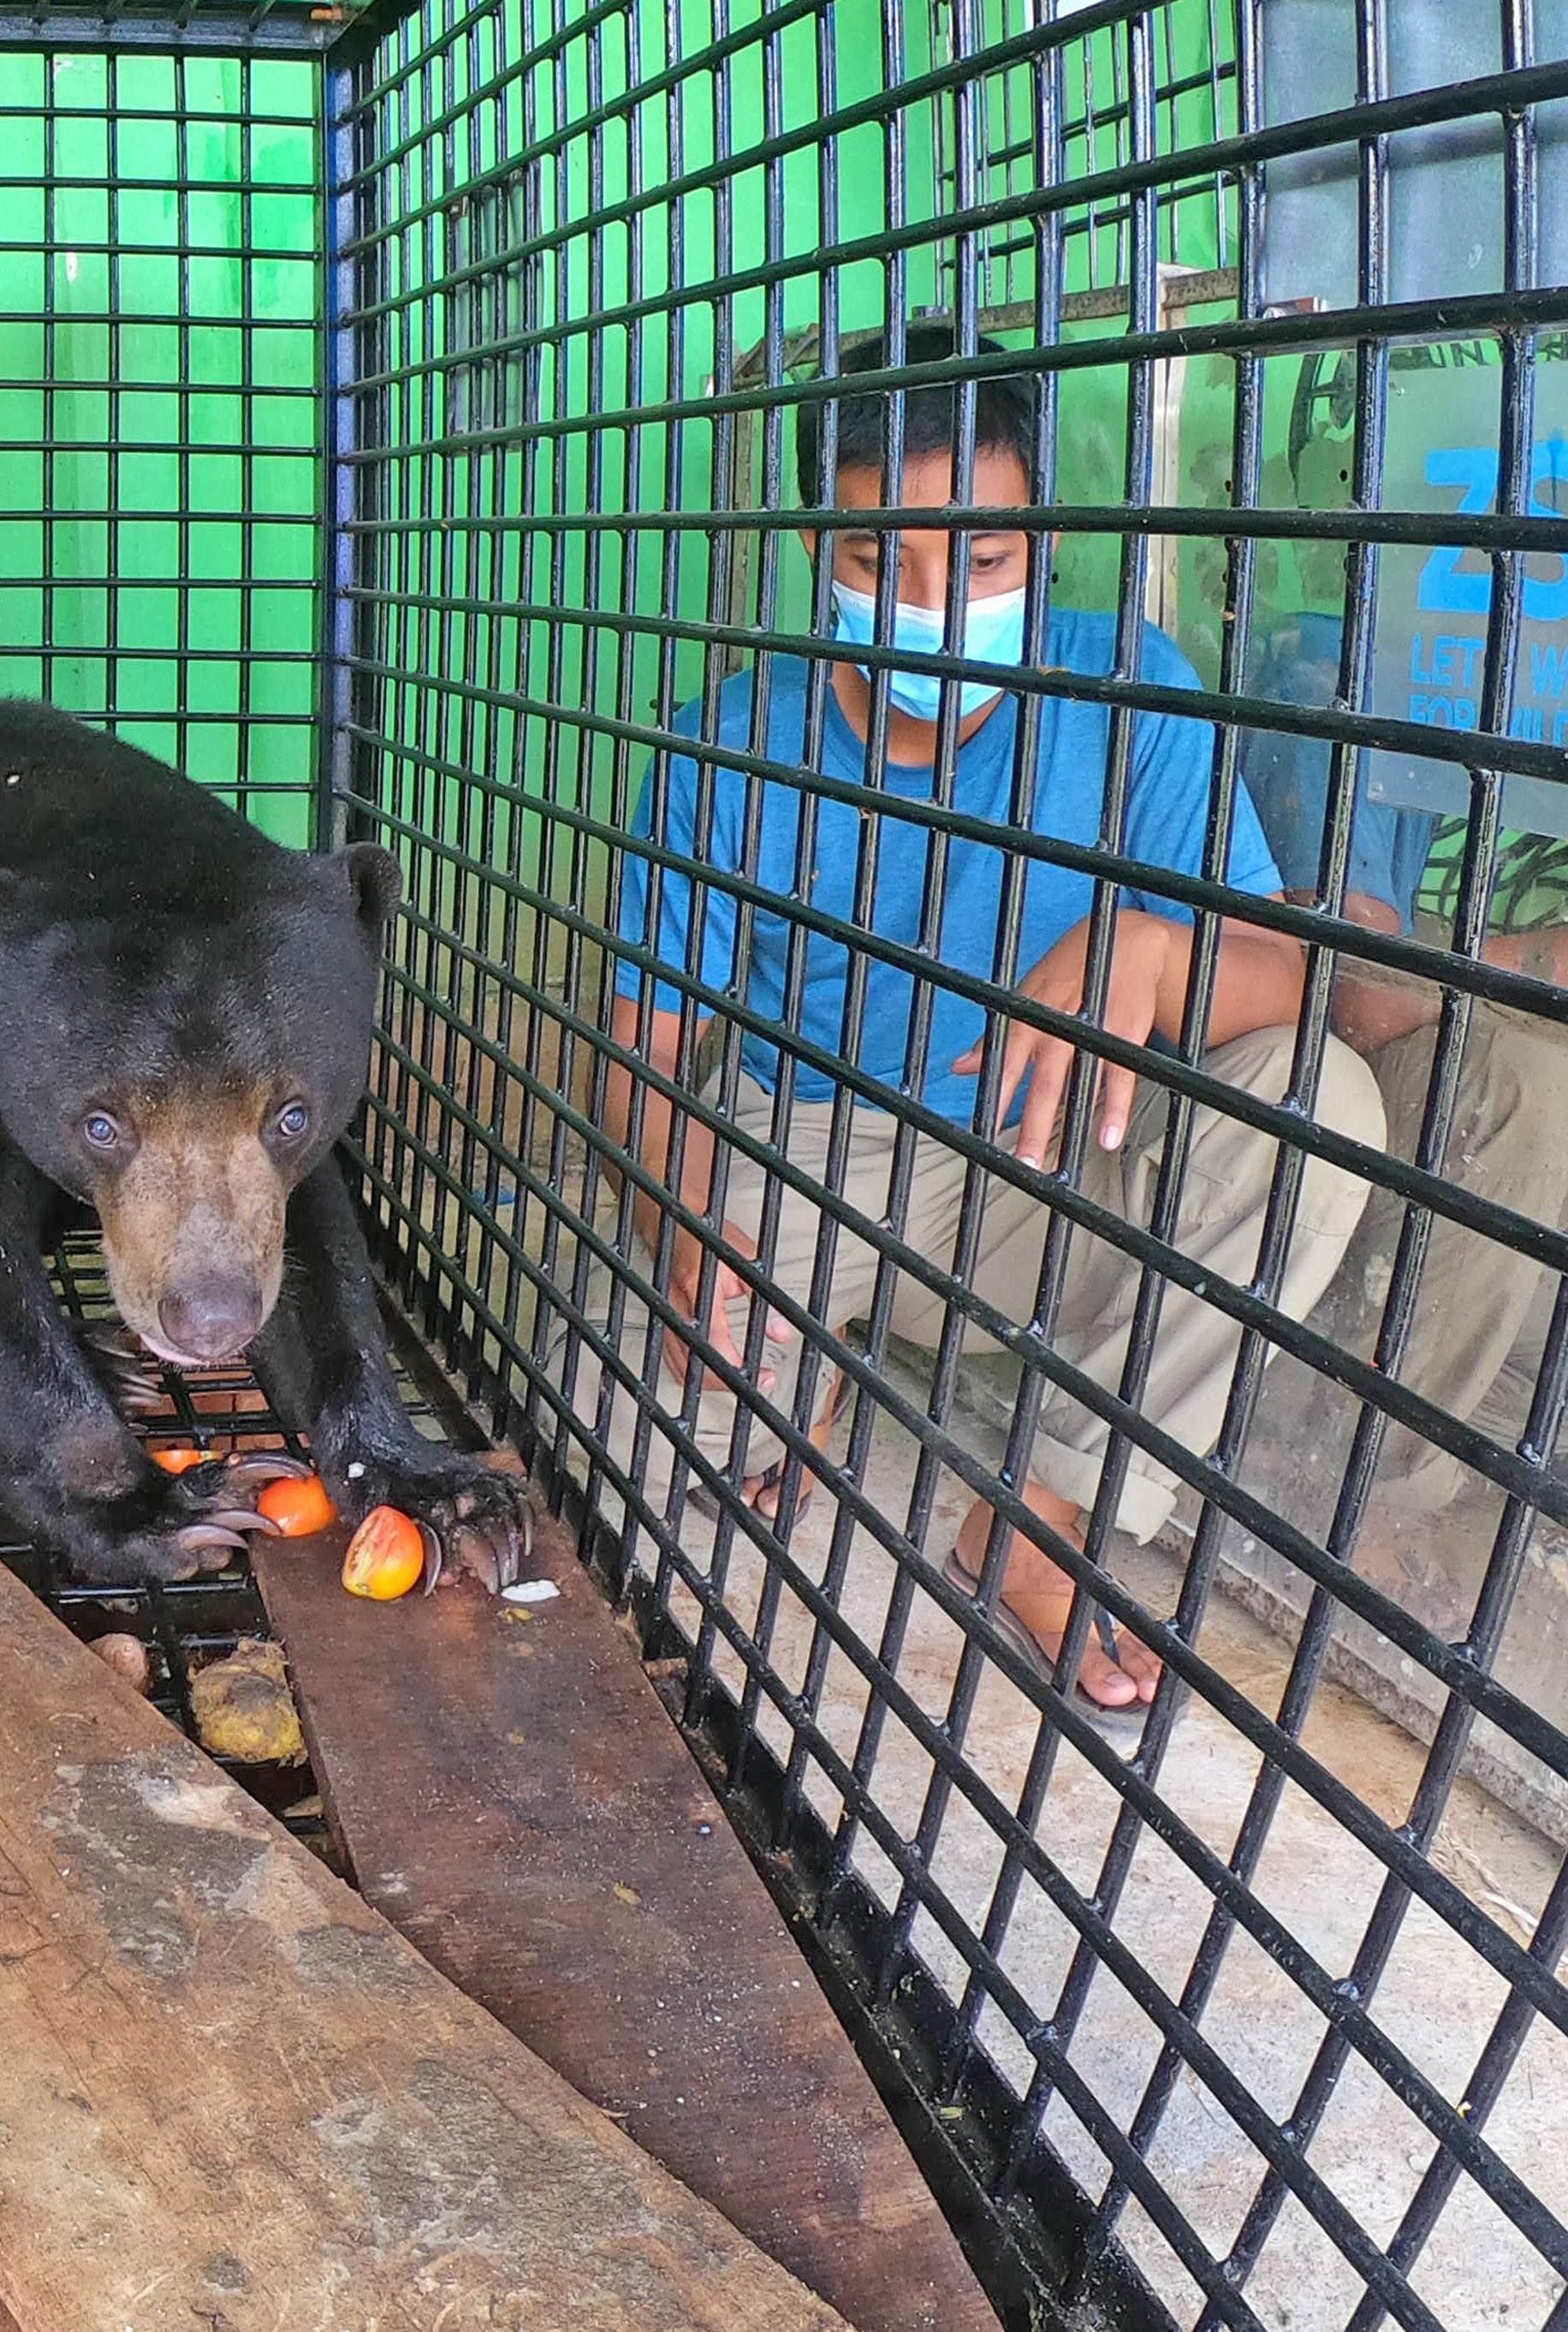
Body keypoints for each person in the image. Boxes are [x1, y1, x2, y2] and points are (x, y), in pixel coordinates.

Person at [591, 324, 1383, 1725]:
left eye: (983, 564)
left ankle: (1036, 1514)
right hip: (822, 1141)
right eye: (873, 562)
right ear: (813, 547)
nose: (931, 603)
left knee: (1318, 1105)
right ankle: (821, 1360)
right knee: (700, 1431)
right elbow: (641, 1045)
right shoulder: (730, 741)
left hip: (1048, 1150)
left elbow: (1303, 978)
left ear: (1047, 554)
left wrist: (1147, 943)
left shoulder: (1133, 690)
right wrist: (678, 1221)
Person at [1234, 665, 1568, 1633]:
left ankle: (1462, 1459)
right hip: (1354, 1082)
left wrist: (1455, 971)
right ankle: (1344, 1485)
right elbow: (1350, 983)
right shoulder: (1372, 665)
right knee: (1524, 1086)